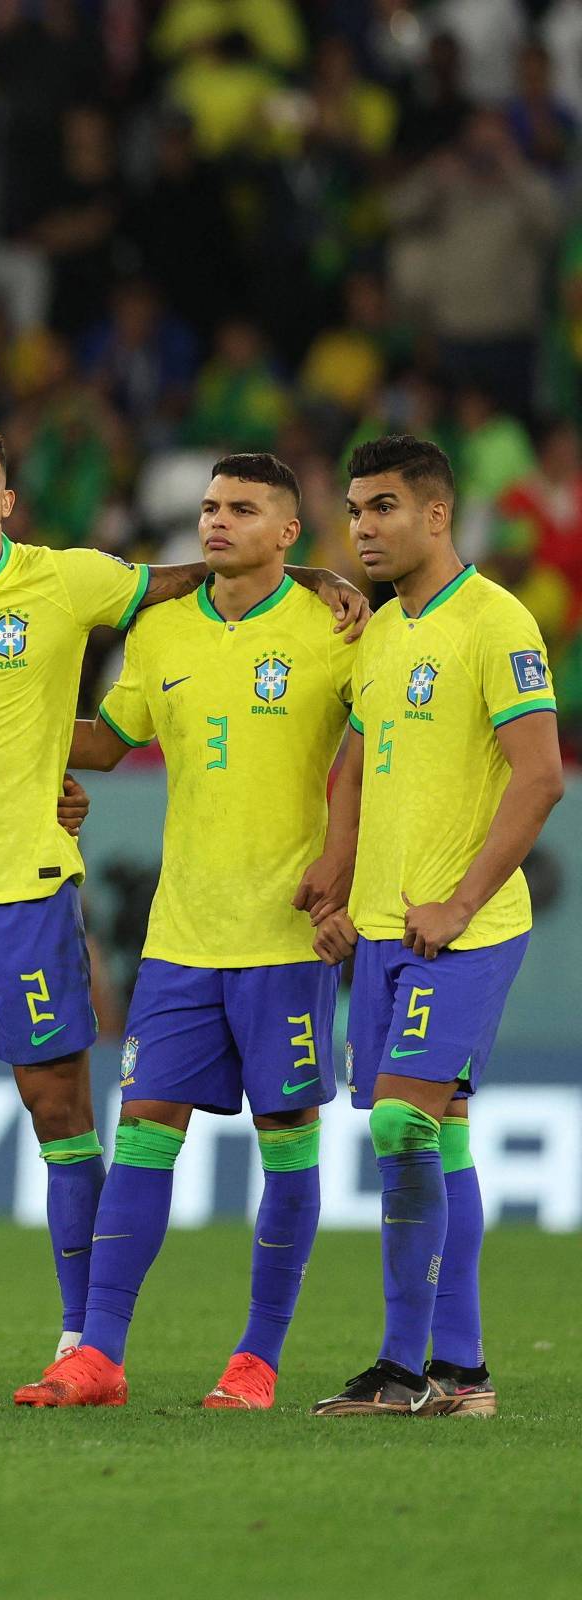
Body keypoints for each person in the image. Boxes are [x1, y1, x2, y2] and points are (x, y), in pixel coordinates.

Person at [0, 414, 365, 1401]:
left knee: (84, 1114)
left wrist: (315, 578)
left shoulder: (80, 581)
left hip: (114, 904)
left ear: (10, 498)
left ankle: (143, 1345)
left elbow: (205, 587)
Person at [16, 454, 357, 1410]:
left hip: (286, 936)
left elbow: (380, 763)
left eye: (242, 509)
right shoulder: (162, 629)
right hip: (180, 937)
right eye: (209, 507)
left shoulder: (335, 629)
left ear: (288, 531)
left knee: (286, 1139)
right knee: (146, 1137)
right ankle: (99, 1355)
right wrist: (13, 724)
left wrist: (350, 887)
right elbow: (112, 739)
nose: (215, 522)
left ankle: (255, 1362)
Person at [313, 436, 561, 1418]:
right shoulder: (376, 633)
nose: (364, 526)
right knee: (438, 1134)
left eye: (383, 507)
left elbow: (540, 776)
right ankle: (460, 1374)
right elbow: (356, 769)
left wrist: (459, 900)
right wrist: (335, 880)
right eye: (355, 508)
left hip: (466, 927)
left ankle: (406, 1366)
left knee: (400, 1124)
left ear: (437, 514)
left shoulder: (496, 622)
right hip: (383, 929)